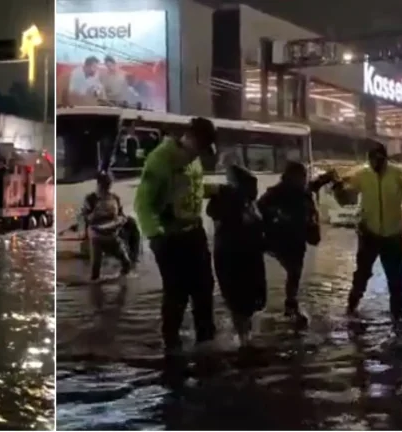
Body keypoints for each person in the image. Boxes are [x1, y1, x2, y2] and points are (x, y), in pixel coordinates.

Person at [134, 117, 220, 354]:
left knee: (204, 289)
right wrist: (156, 237)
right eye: (200, 149)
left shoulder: (193, 161)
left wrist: (218, 191)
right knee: (176, 292)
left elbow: (194, 189)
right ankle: (171, 345)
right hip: (170, 238)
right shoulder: (161, 159)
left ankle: (206, 342)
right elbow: (143, 204)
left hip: (194, 233)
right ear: (191, 139)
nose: (199, 156)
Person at [332, 143, 402, 322]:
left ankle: (399, 316)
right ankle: (351, 308)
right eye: (372, 161)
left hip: (393, 235)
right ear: (369, 160)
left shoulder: (398, 174)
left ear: (385, 159)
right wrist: (338, 190)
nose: (376, 165)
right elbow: (347, 199)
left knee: (396, 279)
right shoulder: (362, 175)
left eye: (379, 161)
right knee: (362, 275)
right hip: (368, 234)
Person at [258, 161, 336, 326]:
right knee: (294, 270)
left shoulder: (302, 190)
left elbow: (312, 186)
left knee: (295, 272)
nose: (303, 180)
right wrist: (279, 217)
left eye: (304, 176)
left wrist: (326, 178)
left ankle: (290, 305)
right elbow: (261, 206)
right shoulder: (278, 191)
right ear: (291, 177)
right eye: (301, 177)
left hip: (298, 237)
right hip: (282, 238)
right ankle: (287, 305)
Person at [207, 164, 266, 346]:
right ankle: (243, 339)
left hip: (249, 257)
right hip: (233, 258)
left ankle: (244, 336)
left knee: (247, 302)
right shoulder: (230, 200)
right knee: (238, 300)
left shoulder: (248, 203)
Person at [81, 171, 133, 282]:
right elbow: (86, 218)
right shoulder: (91, 199)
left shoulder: (115, 198)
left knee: (127, 263)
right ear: (98, 184)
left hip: (112, 235)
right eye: (104, 184)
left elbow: (121, 214)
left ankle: (121, 282)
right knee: (95, 271)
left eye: (108, 184)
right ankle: (95, 292)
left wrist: (122, 220)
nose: (106, 187)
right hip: (96, 237)